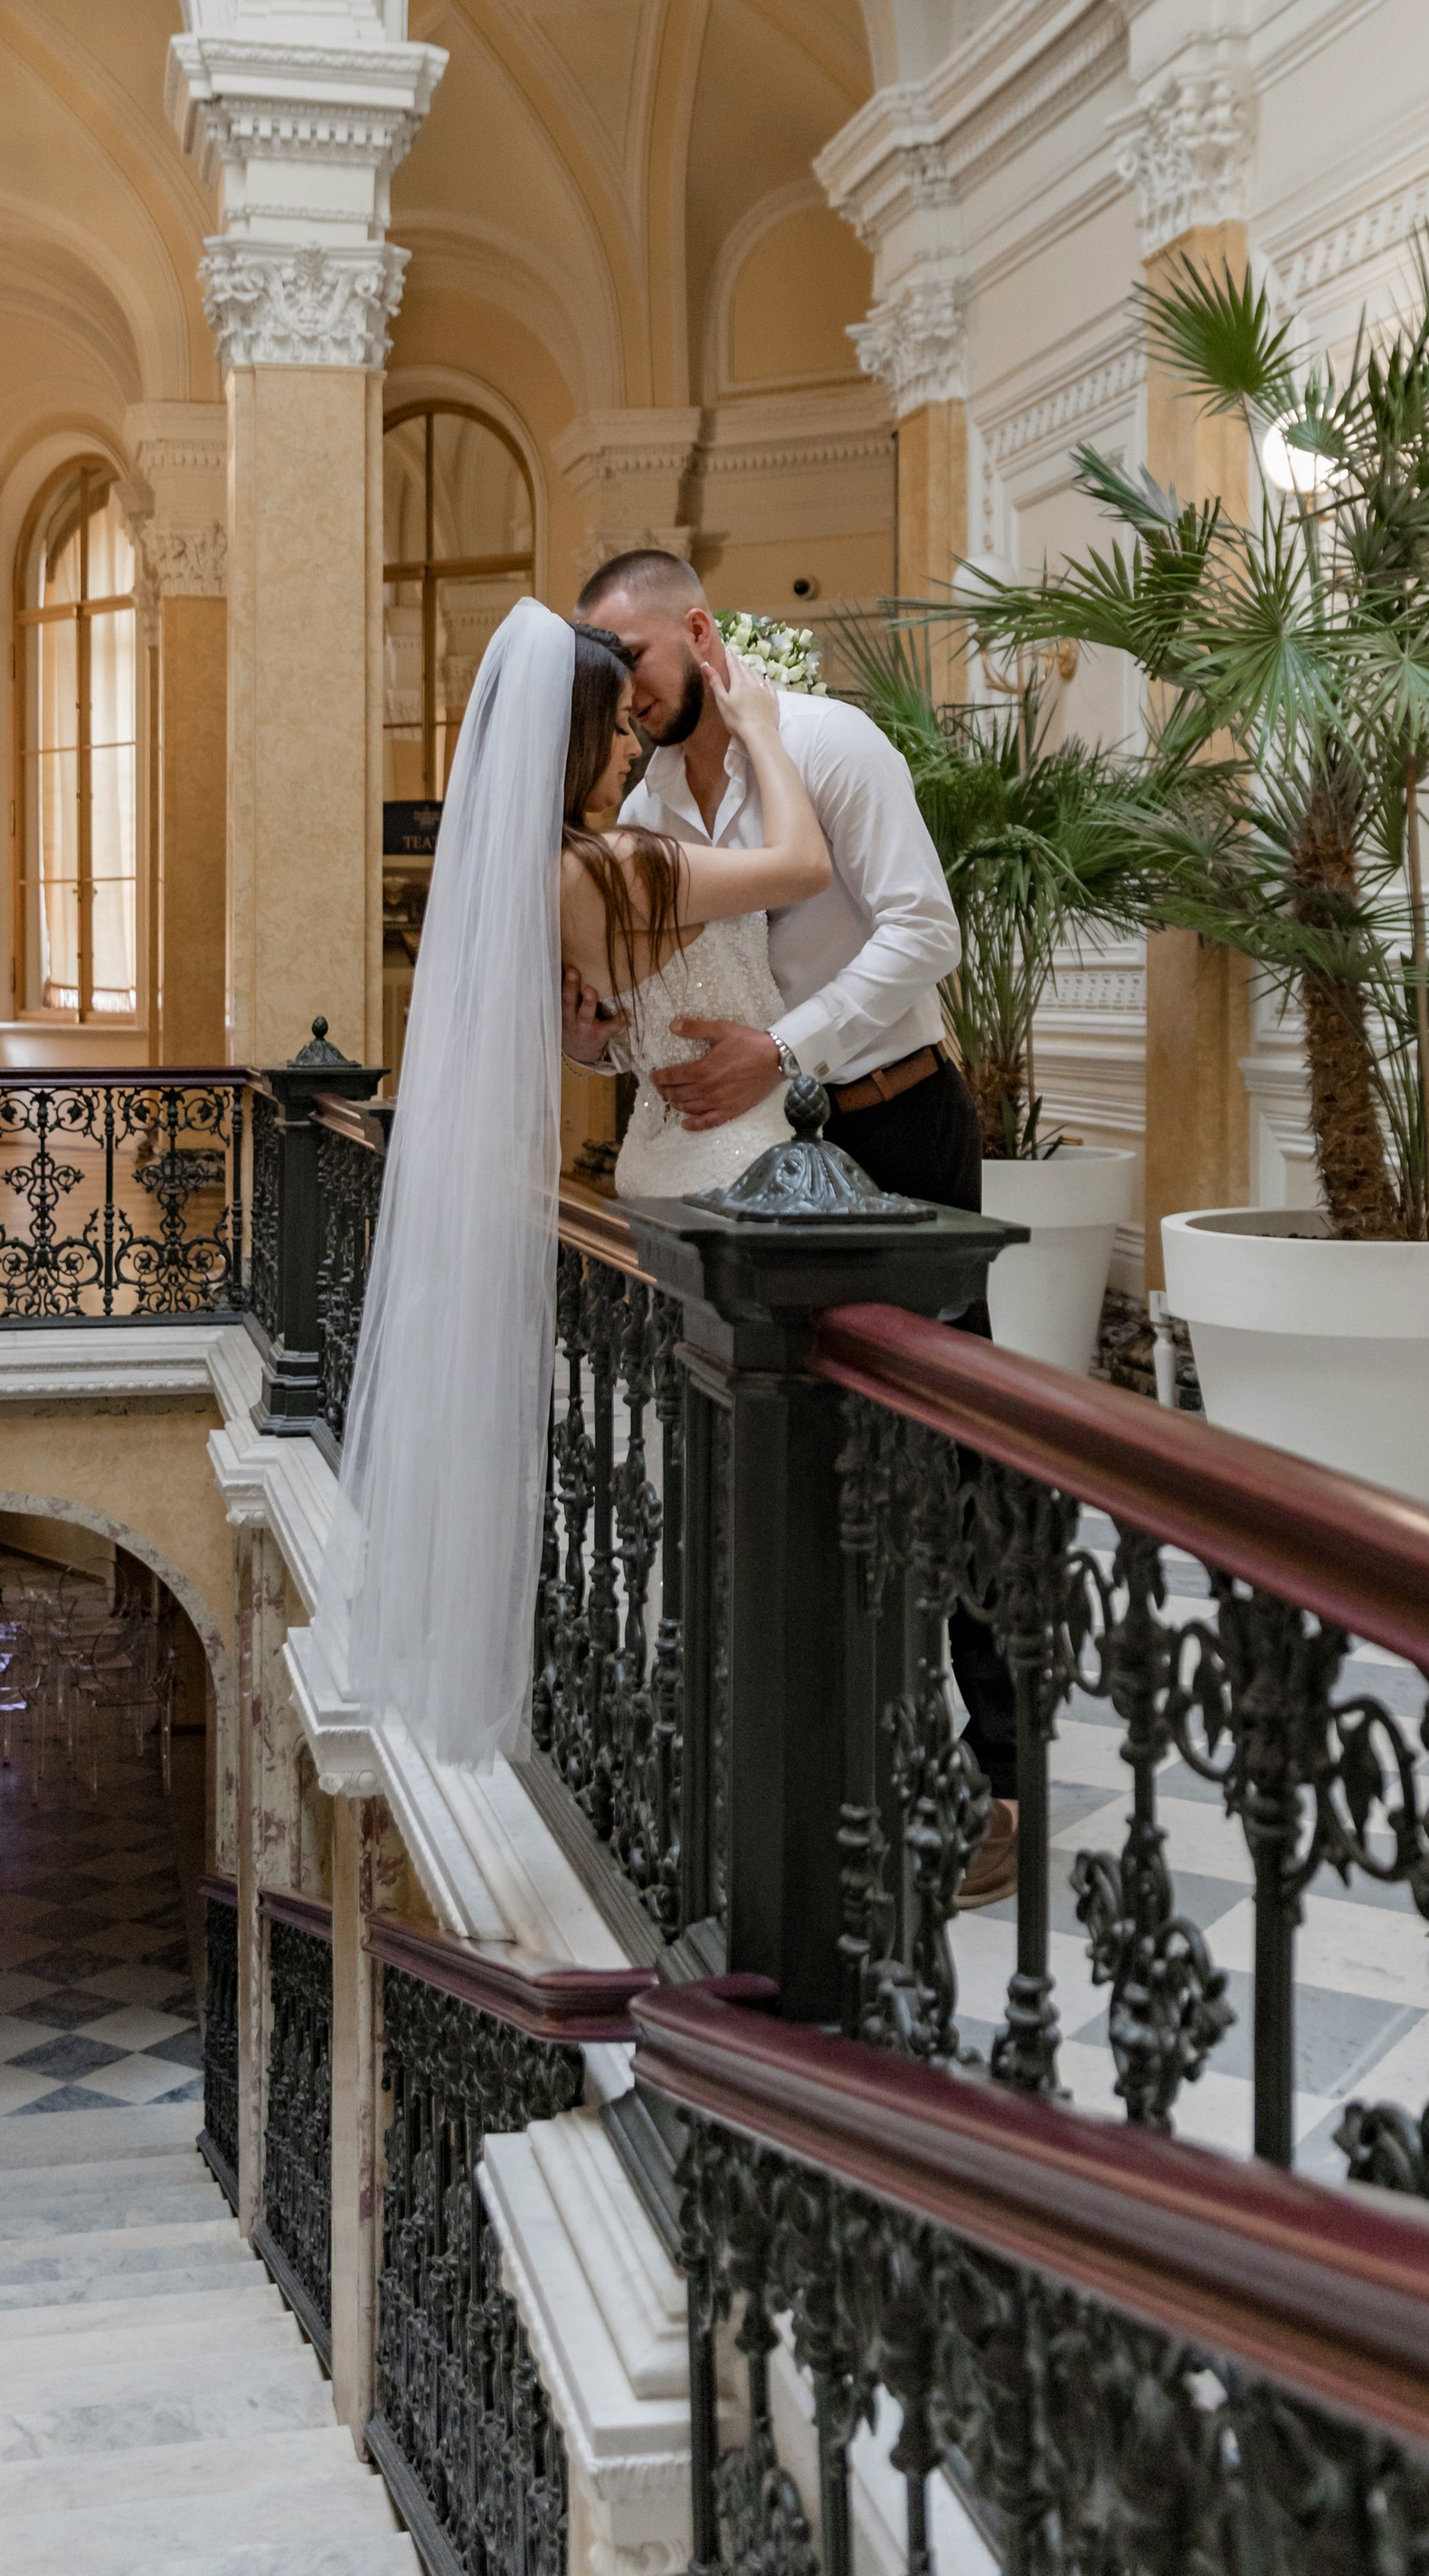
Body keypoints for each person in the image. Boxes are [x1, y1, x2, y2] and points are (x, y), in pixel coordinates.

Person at [568, 549, 1021, 1903]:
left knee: (945, 1444)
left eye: (633, 662)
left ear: (699, 634)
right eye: (606, 677)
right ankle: (847, 1759)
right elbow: (675, 1003)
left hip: (891, 1120)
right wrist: (610, 1045)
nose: (625, 695)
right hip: (752, 1159)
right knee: (793, 1451)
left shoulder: (826, 740)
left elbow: (923, 933)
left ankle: (1001, 1782)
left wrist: (790, 1051)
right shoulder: (643, 798)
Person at [315, 599, 830, 1772]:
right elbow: (802, 863)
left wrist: (599, 1037)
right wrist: (759, 733)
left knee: (679, 1448)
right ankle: (740, 1719)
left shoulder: (539, 878)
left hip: (663, 1150)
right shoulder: (625, 866)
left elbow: (593, 1032)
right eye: (609, 733)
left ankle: (683, 1700)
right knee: (748, 1462)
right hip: (741, 1164)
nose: (628, 751)